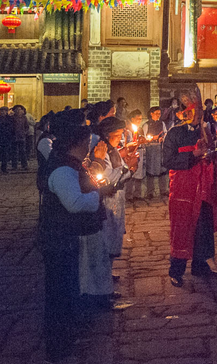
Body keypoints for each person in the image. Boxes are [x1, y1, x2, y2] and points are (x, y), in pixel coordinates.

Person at [38, 124, 111, 363]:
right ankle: (58, 347)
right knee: (59, 293)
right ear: (77, 143)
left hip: (66, 237)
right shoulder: (62, 170)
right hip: (58, 238)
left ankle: (68, 336)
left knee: (69, 288)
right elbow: (75, 203)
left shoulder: (71, 165)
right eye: (87, 140)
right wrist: (97, 195)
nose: (90, 144)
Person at [162, 88, 217, 286]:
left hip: (203, 188)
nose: (198, 116)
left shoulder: (205, 132)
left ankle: (200, 265)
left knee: (203, 228)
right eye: (194, 112)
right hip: (183, 190)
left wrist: (210, 155)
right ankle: (176, 270)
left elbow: (212, 152)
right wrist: (194, 156)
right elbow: (168, 160)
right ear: (185, 113)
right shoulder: (174, 134)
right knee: (182, 227)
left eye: (199, 113)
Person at [80, 116, 137, 309]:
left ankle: (106, 286)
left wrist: (129, 166)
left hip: (115, 203)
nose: (120, 139)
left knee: (111, 243)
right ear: (107, 135)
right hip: (103, 202)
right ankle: (100, 293)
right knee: (101, 249)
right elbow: (104, 179)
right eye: (118, 135)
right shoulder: (100, 152)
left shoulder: (112, 151)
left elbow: (120, 172)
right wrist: (126, 170)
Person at [142, 106, 168, 198]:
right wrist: (152, 138)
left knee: (162, 168)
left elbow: (165, 133)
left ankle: (163, 190)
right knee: (151, 169)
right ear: (151, 114)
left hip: (160, 148)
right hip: (151, 149)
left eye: (159, 114)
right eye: (156, 113)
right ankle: (150, 191)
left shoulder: (162, 123)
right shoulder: (146, 125)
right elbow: (144, 138)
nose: (158, 115)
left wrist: (162, 138)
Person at [10, 105, 30, 171]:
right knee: (14, 152)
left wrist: (24, 132)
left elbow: (27, 126)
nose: (18, 111)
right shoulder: (12, 118)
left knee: (23, 151)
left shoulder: (24, 118)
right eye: (17, 109)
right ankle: (14, 166)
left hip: (21, 136)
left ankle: (24, 165)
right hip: (14, 137)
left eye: (19, 109)